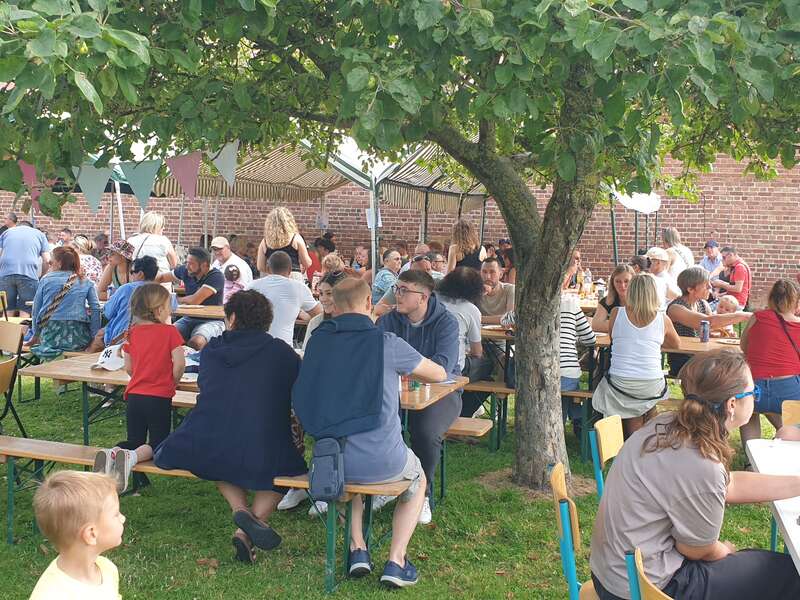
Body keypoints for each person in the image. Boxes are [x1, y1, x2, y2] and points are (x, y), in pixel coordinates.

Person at [589, 349, 800, 600]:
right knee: (789, 573)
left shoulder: (667, 425)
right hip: (645, 588)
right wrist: (724, 551)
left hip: (613, 574)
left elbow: (729, 484)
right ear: (732, 404)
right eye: (753, 393)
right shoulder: (702, 462)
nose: (756, 398)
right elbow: (695, 549)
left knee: (762, 565)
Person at [294, 278, 446, 587]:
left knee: (350, 477)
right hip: (384, 461)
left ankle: (358, 548)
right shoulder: (387, 343)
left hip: (331, 462)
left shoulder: (317, 343)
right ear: (368, 303)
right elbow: (439, 373)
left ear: (333, 305)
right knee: (418, 479)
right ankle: (396, 561)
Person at [151, 290, 307, 562]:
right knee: (287, 470)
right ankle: (246, 527)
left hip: (207, 435)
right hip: (262, 439)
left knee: (213, 456)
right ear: (267, 320)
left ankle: (240, 510)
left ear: (232, 318)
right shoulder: (282, 352)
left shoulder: (212, 349)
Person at [377, 270, 460, 525]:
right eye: (396, 288)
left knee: (425, 431)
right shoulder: (388, 320)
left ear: (423, 297)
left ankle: (423, 492)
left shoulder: (446, 322)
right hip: (396, 390)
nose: (397, 295)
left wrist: (402, 368)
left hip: (442, 391)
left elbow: (443, 366)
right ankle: (384, 484)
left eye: (404, 290)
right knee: (375, 423)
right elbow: (375, 356)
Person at [93, 283, 186, 493]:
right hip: (159, 397)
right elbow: (180, 363)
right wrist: (173, 380)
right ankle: (131, 457)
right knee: (158, 443)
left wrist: (141, 377)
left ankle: (112, 453)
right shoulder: (170, 332)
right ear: (159, 310)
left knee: (134, 439)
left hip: (134, 395)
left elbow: (128, 367)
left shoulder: (132, 333)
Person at [591, 273, 680, 438]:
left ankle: (634, 441)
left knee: (632, 405)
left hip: (621, 383)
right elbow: (676, 344)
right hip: (652, 384)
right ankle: (649, 441)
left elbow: (614, 339)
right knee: (645, 403)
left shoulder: (616, 313)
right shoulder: (663, 319)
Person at [30, 471, 124, 600]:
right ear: (91, 534)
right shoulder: (51, 595)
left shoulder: (107, 569)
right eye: (116, 514)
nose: (123, 518)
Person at [739, 278, 800, 450]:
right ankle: (786, 447)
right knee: (794, 426)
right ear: (796, 302)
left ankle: (751, 456)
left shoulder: (758, 317)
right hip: (789, 389)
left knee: (750, 412)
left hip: (754, 386)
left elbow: (743, 346)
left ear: (771, 298)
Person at [666, 267, 750, 376]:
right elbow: (708, 322)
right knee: (724, 372)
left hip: (700, 355)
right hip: (683, 359)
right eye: (706, 284)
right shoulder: (676, 308)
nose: (710, 287)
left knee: (733, 367)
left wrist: (725, 334)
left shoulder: (702, 304)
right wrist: (744, 315)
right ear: (690, 289)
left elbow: (710, 330)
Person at [30, 247, 101, 359]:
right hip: (78, 338)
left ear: (59, 264)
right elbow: (96, 308)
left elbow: (36, 309)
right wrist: (94, 336)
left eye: (51, 261)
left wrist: (35, 334)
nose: (49, 264)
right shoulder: (86, 281)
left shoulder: (46, 280)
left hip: (50, 338)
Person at [85, 256, 161, 353]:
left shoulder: (126, 289)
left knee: (98, 337)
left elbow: (107, 313)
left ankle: (87, 357)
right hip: (150, 339)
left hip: (122, 339)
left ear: (140, 274)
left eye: (132, 272)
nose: (130, 275)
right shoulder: (161, 292)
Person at [247, 251, 321, 347]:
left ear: (268, 268)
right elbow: (320, 314)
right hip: (284, 348)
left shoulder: (252, 286)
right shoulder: (299, 288)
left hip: (254, 346)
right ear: (290, 270)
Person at [158, 247, 225, 350]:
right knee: (164, 336)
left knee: (196, 342)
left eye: (191, 264)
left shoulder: (216, 276)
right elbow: (161, 278)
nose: (187, 266)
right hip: (189, 318)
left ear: (204, 265)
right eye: (187, 262)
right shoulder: (185, 270)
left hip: (213, 321)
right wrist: (142, 283)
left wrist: (173, 299)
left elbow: (195, 300)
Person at [435, 267, 484, 376]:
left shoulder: (433, 301)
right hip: (455, 367)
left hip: (428, 363)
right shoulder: (471, 309)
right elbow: (477, 352)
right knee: (488, 365)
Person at [0, 220, 50, 317]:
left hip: (6, 274)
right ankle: (23, 326)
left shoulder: (6, 232)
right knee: (26, 308)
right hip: (28, 274)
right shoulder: (40, 235)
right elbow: (47, 260)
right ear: (31, 227)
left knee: (7, 309)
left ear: (18, 226)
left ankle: (8, 326)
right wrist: (42, 275)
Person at [373, 254, 443, 317]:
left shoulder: (439, 284)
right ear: (411, 272)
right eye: (420, 272)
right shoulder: (400, 288)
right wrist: (398, 308)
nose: (426, 274)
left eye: (428, 269)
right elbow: (377, 309)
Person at [256, 207, 312, 281]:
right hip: (293, 275)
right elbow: (307, 263)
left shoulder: (265, 241)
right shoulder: (296, 238)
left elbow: (260, 266)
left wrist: (271, 271)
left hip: (273, 276)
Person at [301, 270, 348, 351]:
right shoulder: (315, 322)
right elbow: (306, 353)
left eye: (329, 293)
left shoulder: (356, 323)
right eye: (321, 293)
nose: (323, 299)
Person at [127, 212, 178, 276]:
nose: (164, 228)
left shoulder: (130, 240)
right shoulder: (163, 241)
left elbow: (126, 264)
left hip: (137, 278)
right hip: (161, 279)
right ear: (157, 226)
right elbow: (174, 264)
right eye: (162, 226)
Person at [592, 265, 634, 333]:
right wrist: (628, 325)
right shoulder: (606, 301)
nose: (622, 285)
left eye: (626, 281)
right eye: (618, 281)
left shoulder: (641, 301)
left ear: (634, 282)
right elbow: (596, 325)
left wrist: (611, 324)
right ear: (612, 283)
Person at [210, 236, 253, 302]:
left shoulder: (239, 265)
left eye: (220, 249)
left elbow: (242, 290)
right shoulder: (216, 263)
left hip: (233, 304)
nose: (217, 252)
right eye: (215, 250)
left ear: (228, 247)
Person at [479, 257, 515, 324]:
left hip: (502, 330)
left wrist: (478, 318)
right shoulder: (475, 290)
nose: (488, 277)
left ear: (501, 274)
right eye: (484, 272)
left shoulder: (510, 289)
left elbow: (509, 318)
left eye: (492, 272)